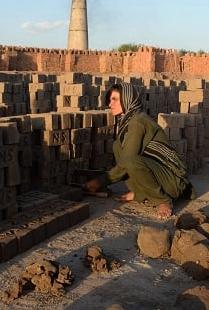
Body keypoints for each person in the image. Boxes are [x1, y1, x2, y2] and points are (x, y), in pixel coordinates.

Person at [84, 82, 195, 219]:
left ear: (127, 99)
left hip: (172, 182)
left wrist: (100, 181)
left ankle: (162, 200)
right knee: (118, 146)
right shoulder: (129, 120)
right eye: (109, 100)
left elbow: (129, 160)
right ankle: (141, 193)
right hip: (159, 177)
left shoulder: (138, 121)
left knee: (131, 161)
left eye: (115, 99)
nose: (110, 104)